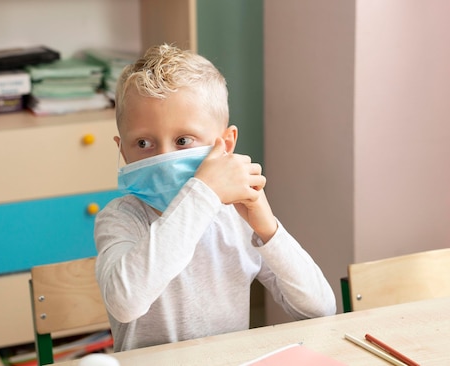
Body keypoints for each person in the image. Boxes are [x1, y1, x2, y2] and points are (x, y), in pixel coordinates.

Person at [94, 44, 336, 352]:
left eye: (183, 140)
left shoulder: (236, 217)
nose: (165, 157)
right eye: (143, 142)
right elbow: (126, 302)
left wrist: (268, 230)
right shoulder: (121, 218)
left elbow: (320, 309)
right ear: (123, 150)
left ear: (226, 144)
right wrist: (203, 193)